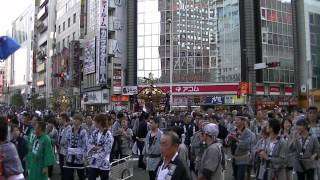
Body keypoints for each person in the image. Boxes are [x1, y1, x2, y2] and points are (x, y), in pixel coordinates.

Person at [87, 114, 114, 180]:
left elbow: (107, 149)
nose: (94, 123)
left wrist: (95, 149)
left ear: (100, 123)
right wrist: (97, 148)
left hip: (104, 161)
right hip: (94, 160)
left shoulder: (108, 134)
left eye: (95, 122)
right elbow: (89, 143)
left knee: (104, 178)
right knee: (91, 177)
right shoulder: (95, 132)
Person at [227, 116, 252, 180]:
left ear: (243, 121)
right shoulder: (233, 130)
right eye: (235, 120)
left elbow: (246, 145)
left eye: (238, 120)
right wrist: (229, 138)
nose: (236, 121)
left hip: (243, 158)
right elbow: (227, 143)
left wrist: (237, 139)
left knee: (240, 177)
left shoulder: (248, 132)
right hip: (234, 157)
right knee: (235, 176)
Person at [63, 114, 88, 180]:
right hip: (70, 157)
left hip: (79, 157)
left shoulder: (83, 131)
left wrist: (85, 158)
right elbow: (66, 143)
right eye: (74, 119)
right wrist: (65, 154)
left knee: (81, 176)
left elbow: (85, 145)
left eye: (77, 119)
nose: (75, 121)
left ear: (80, 121)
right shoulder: (69, 130)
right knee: (69, 176)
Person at [57, 113, 71, 180]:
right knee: (61, 165)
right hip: (60, 149)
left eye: (60, 119)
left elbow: (67, 139)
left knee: (66, 166)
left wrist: (60, 143)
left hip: (65, 150)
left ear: (64, 119)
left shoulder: (69, 128)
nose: (59, 120)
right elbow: (59, 136)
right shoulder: (61, 127)